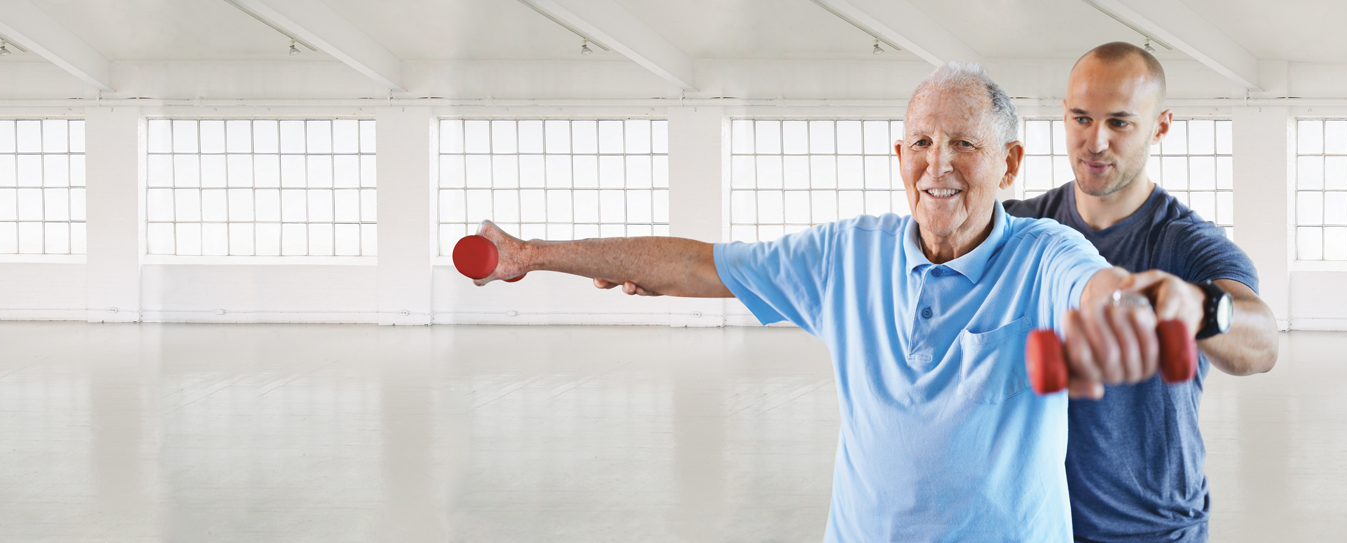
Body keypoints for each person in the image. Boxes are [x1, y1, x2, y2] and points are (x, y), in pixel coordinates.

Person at [471, 63, 1205, 542]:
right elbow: (696, 263)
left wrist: (1137, 301)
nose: (938, 165)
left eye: (964, 144)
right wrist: (531, 256)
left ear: (1010, 162)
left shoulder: (1044, 252)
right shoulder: (845, 255)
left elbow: (1097, 287)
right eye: (920, 142)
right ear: (899, 157)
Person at [1004, 42, 1281, 543]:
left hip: (1152, 528)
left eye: (1119, 123)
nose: (1095, 142)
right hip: (1033, 522)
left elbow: (1262, 344)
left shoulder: (1184, 240)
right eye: (1081, 119)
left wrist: (1199, 308)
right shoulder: (1020, 227)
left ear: (1161, 126)